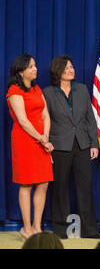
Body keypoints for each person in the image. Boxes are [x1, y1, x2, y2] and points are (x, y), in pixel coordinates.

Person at [43, 55, 100, 239]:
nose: (71, 70)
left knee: (85, 187)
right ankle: (62, 230)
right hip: (59, 146)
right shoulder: (48, 93)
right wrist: (47, 141)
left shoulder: (82, 89)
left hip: (83, 144)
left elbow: (90, 119)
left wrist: (94, 143)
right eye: (67, 67)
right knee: (60, 188)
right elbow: (45, 120)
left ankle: (89, 229)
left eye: (72, 67)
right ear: (57, 71)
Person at [6, 54, 54, 240]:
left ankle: (37, 227)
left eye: (35, 65)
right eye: (31, 66)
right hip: (25, 141)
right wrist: (43, 140)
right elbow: (23, 121)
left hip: (42, 139)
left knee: (43, 183)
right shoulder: (14, 91)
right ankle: (26, 228)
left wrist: (46, 135)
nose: (35, 69)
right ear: (21, 71)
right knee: (26, 184)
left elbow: (46, 114)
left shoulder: (36, 89)